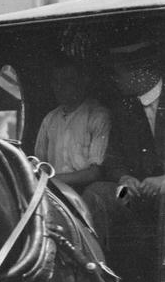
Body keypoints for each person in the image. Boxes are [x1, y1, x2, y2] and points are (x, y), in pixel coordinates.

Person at [88, 47, 165, 282]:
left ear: (141, 73)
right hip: (136, 192)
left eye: (119, 73)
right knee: (100, 194)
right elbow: (113, 158)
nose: (115, 80)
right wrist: (124, 178)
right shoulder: (125, 106)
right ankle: (100, 279)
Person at [32, 62, 111, 193]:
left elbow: (95, 172)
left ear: (82, 82)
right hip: (54, 190)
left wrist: (52, 180)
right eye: (56, 82)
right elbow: (40, 163)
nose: (59, 87)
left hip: (85, 190)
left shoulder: (97, 115)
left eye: (67, 81)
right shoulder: (49, 119)